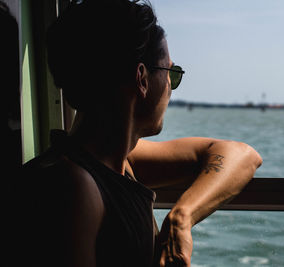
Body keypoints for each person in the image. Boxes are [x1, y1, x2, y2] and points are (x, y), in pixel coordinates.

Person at [11, 0, 262, 266]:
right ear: (142, 78)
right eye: (170, 73)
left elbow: (242, 155)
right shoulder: (74, 187)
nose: (170, 87)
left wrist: (182, 217)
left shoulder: (118, 161)